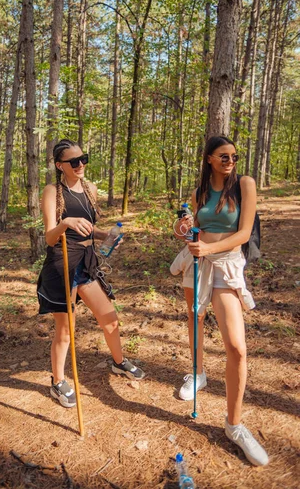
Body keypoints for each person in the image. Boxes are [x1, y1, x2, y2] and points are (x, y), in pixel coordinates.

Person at [170, 136, 268, 466]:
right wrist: (182, 227)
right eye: (223, 156)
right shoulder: (199, 192)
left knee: (237, 347)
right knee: (194, 320)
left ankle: (234, 425)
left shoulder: (244, 185)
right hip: (196, 263)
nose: (230, 161)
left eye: (234, 156)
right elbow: (191, 227)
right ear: (209, 158)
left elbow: (243, 233)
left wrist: (209, 248)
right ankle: (197, 374)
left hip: (225, 265)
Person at [37, 138, 145, 408]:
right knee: (65, 330)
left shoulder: (90, 188)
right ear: (60, 165)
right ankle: (58, 381)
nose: (81, 164)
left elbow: (89, 231)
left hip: (87, 262)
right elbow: (50, 237)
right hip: (62, 263)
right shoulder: (52, 191)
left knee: (110, 318)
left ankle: (119, 363)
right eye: (74, 161)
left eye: (83, 158)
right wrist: (65, 223)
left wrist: (106, 235)